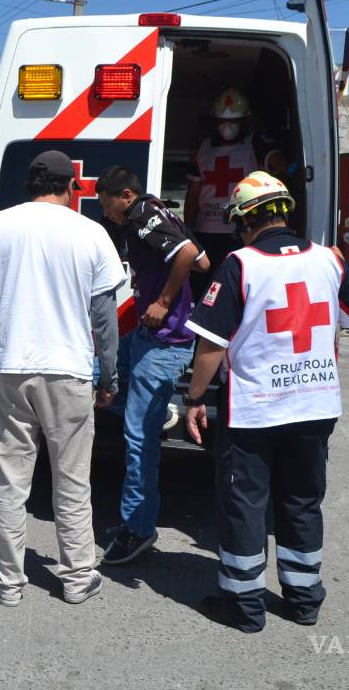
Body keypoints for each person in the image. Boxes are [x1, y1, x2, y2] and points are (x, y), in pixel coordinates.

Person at [182, 172, 349, 633]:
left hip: (255, 411)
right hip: (315, 408)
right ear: (285, 212)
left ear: (243, 221)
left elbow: (211, 345)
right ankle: (304, 600)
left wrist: (194, 397)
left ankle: (243, 605)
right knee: (302, 502)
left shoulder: (241, 264)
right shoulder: (329, 260)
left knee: (245, 505)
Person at [0, 150, 127, 607]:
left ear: (30, 185)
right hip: (69, 373)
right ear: (71, 186)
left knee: (11, 483)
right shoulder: (91, 233)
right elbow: (105, 317)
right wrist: (109, 377)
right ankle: (77, 579)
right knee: (72, 481)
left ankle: (9, 583)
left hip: (12, 369)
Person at [95, 166, 209, 564]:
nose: (106, 213)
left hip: (164, 343)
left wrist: (163, 300)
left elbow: (190, 256)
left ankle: (138, 529)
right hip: (146, 337)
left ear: (126, 196)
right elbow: (203, 261)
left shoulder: (144, 213)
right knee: (95, 374)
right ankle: (154, 412)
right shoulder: (158, 213)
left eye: (108, 204)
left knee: (139, 441)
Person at [184, 87, 285, 297]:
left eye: (233, 121)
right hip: (205, 233)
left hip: (240, 231)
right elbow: (193, 193)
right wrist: (188, 230)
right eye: (222, 121)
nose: (227, 126)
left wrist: (290, 170)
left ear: (244, 120)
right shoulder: (202, 148)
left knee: (235, 288)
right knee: (202, 289)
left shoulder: (256, 144)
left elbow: (279, 162)